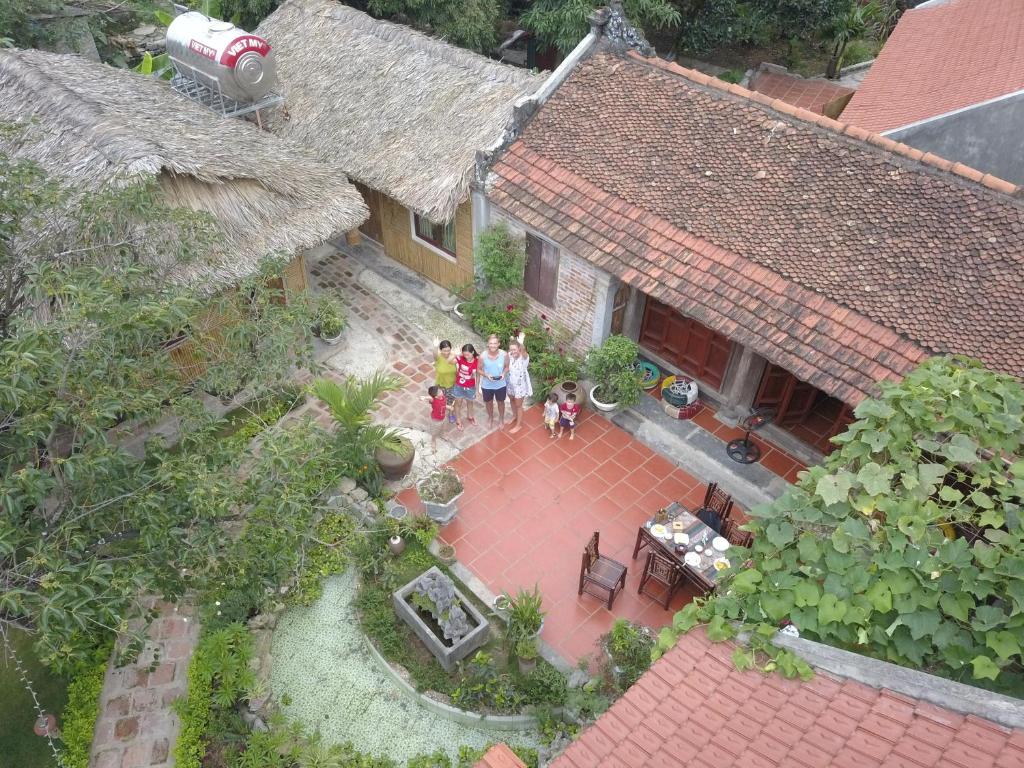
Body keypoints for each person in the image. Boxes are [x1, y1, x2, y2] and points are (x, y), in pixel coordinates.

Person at [479, 333, 509, 430]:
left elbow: (507, 367)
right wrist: (486, 375)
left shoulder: (504, 354)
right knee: (488, 402)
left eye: (495, 343)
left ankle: (501, 418)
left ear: (498, 344)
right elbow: (478, 369)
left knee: (501, 402)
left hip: (500, 384)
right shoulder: (483, 356)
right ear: (488, 344)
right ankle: (490, 417)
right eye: (490, 343)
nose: (492, 345)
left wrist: (504, 373)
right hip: (487, 385)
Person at [506, 332, 532, 434]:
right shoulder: (509, 355)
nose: (513, 351)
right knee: (511, 400)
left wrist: (521, 341)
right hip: (510, 383)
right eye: (511, 349)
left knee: (518, 405)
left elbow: (524, 350)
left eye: (515, 349)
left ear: (519, 349)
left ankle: (518, 425)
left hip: (520, 386)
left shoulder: (524, 357)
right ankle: (514, 416)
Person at [452, 343, 479, 429]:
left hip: (470, 386)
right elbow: (450, 362)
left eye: (468, 354)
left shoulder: (477, 361)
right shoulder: (460, 358)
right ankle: (458, 420)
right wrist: (456, 354)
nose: (466, 356)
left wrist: (477, 388)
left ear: (472, 352)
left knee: (470, 402)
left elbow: (478, 375)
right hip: (459, 385)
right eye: (464, 354)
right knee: (458, 403)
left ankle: (470, 416)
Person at [432, 338, 457, 424]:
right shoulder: (438, 357)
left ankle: (451, 414)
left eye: (448, 350)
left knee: (451, 400)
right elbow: (434, 355)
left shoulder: (453, 356)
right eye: (444, 351)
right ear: (440, 350)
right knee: (441, 400)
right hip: (441, 385)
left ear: (451, 349)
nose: (446, 353)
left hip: (452, 384)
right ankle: (439, 411)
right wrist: (435, 346)